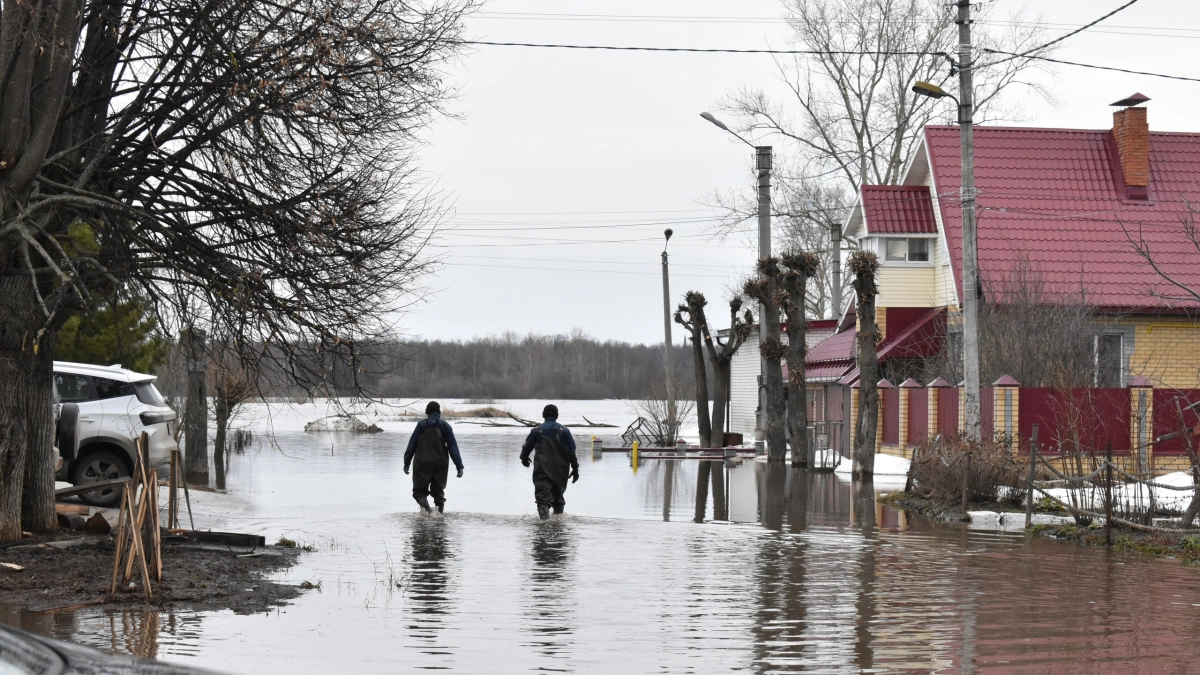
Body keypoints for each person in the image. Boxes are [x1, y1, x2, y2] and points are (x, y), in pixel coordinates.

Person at [520, 404, 579, 520]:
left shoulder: (536, 431)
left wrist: (524, 458)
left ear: (543, 415)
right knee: (558, 501)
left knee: (542, 501)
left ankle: (544, 525)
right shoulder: (565, 431)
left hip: (542, 472)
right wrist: (575, 468)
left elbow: (526, 448)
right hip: (560, 473)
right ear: (557, 416)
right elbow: (572, 452)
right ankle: (557, 526)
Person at [404, 401, 464, 514]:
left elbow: (412, 445)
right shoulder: (446, 426)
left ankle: (428, 513)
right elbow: (453, 448)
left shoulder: (421, 425)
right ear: (439, 412)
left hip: (422, 463)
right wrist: (459, 466)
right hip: (440, 464)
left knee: (419, 493)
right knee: (438, 494)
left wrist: (406, 462)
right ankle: (439, 518)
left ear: (427, 412)